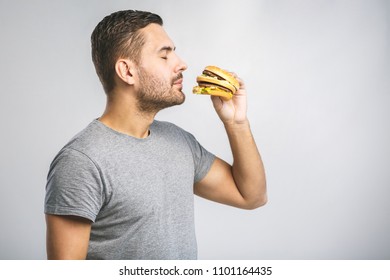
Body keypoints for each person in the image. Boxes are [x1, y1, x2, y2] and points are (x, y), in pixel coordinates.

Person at [44, 9, 267, 260]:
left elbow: (251, 196)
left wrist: (237, 122)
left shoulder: (179, 141)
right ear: (127, 71)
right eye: (164, 56)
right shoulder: (81, 162)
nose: (181, 63)